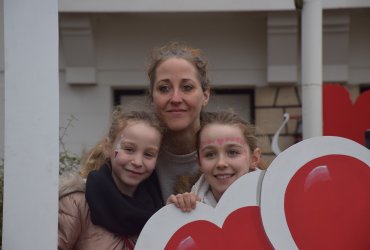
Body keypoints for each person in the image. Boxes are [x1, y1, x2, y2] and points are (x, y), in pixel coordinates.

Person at [58, 107, 164, 250]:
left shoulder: (159, 211)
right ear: (108, 147)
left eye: (149, 154)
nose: (138, 162)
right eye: (129, 149)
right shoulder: (77, 203)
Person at [147, 41, 211, 201]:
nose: (175, 98)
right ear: (152, 97)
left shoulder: (232, 152)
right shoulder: (130, 155)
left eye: (187, 87)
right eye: (164, 88)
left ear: (206, 95)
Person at [166, 110, 264, 211]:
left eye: (232, 152)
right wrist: (171, 217)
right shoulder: (187, 208)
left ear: (254, 159)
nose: (221, 163)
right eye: (210, 154)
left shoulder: (275, 203)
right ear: (199, 162)